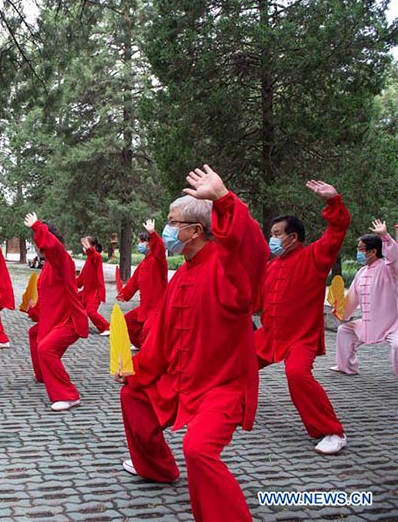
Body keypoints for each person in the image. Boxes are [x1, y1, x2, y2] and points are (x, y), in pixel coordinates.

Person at [118, 165, 268, 522]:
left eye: (173, 223)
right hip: (183, 379)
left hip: (222, 385)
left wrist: (225, 200)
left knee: (198, 448)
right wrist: (136, 370)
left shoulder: (228, 268)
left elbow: (253, 252)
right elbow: (163, 339)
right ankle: (157, 468)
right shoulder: (183, 272)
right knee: (133, 396)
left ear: (195, 231)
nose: (167, 230)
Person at [255, 180, 349, 455]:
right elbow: (256, 301)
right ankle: (231, 409)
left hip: (300, 337)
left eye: (276, 233)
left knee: (296, 373)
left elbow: (337, 230)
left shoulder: (314, 257)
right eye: (271, 233)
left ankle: (333, 431)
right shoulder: (271, 267)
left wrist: (334, 202)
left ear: (293, 237)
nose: (272, 238)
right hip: (270, 335)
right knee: (237, 363)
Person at [24, 212, 89, 411]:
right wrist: (33, 311)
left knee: (46, 348)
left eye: (39, 243)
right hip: (55, 319)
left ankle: (69, 395)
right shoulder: (49, 266)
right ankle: (44, 374)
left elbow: (54, 249)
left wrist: (37, 226)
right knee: (34, 334)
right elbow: (49, 298)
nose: (37, 246)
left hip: (70, 321)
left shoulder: (62, 260)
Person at [333, 219, 398, 377]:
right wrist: (342, 313)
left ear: (373, 251)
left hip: (393, 324)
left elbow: (394, 257)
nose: (358, 252)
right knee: (344, 331)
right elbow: (352, 298)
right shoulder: (361, 272)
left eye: (361, 249)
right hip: (369, 322)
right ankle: (347, 367)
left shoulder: (389, 268)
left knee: (397, 346)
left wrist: (385, 236)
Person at [117, 220, 168, 350]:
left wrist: (152, 233)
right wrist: (124, 295)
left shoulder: (158, 260)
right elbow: (134, 282)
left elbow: (160, 249)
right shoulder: (144, 263)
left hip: (158, 307)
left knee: (148, 331)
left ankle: (150, 351)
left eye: (142, 242)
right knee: (127, 321)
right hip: (145, 306)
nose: (139, 245)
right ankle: (142, 346)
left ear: (150, 244)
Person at [76, 236, 111, 336]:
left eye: (87, 244)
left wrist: (89, 249)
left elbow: (93, 255)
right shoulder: (88, 260)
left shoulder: (97, 257)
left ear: (93, 246)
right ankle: (74, 325)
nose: (85, 247)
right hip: (86, 292)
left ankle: (107, 327)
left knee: (91, 311)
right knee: (75, 305)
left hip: (95, 292)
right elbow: (81, 279)